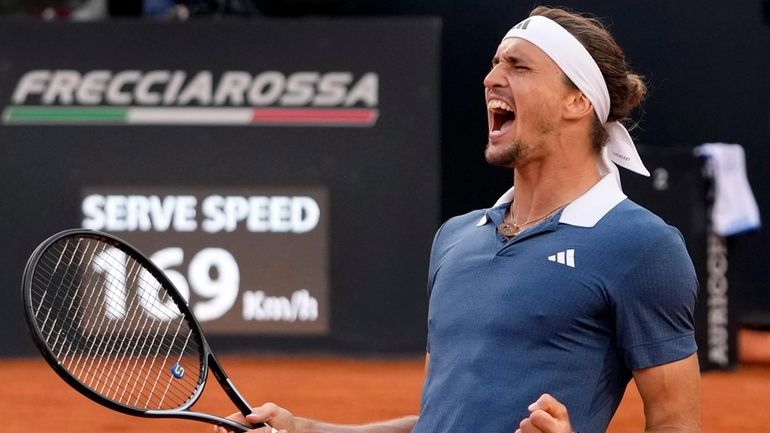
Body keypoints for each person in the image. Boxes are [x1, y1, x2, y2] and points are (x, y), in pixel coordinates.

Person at [219, 6, 700, 433]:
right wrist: (304, 429)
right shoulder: (455, 239)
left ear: (577, 101)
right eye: (494, 64)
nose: (492, 78)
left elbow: (675, 423)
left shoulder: (641, 245)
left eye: (518, 66)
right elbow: (440, 422)